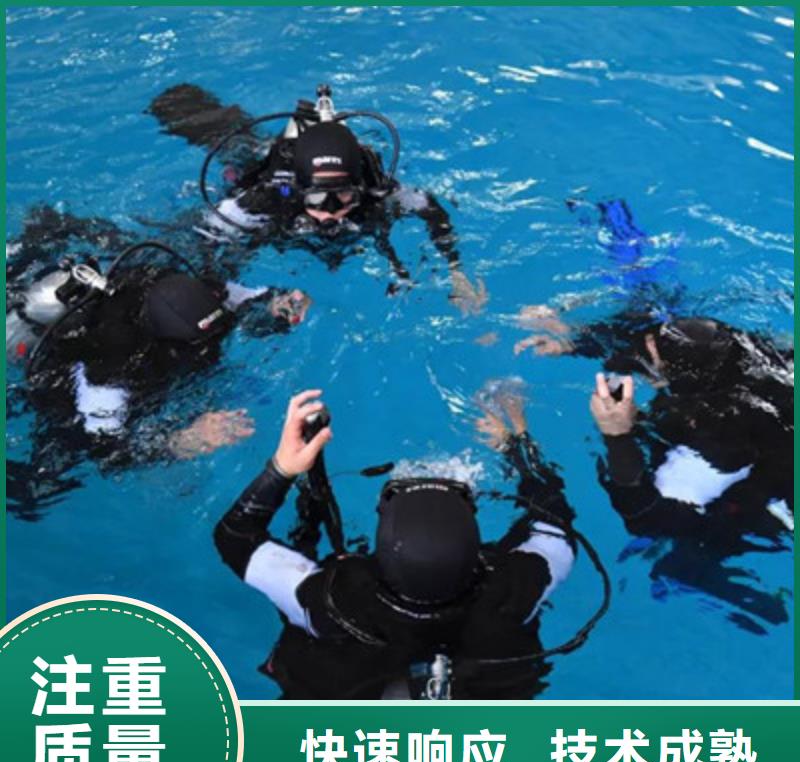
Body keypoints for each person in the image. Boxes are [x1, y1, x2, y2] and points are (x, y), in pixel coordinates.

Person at [214, 389, 581, 699]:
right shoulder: (518, 586)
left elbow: (235, 537)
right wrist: (516, 442)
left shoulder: (331, 600)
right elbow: (555, 522)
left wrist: (281, 468)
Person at [521, 310, 793, 631]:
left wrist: (617, 435)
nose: (645, 365)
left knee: (676, 563)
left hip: (773, 494)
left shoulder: (716, 435)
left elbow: (645, 517)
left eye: (652, 363)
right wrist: (576, 339)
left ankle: (754, 605)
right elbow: (663, 341)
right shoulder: (756, 352)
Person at [7, 241, 311, 520]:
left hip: (151, 318)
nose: (210, 352)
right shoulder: (111, 371)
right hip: (69, 378)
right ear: (167, 345)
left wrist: (283, 305)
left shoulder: (199, 292)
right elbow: (106, 450)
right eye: (197, 346)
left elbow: (253, 299)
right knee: (41, 485)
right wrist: (184, 441)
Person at [147, 83, 488, 312]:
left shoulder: (377, 193)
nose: (331, 213)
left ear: (359, 187)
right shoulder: (271, 196)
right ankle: (184, 105)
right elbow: (206, 241)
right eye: (317, 200)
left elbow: (429, 207)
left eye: (343, 197)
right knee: (244, 154)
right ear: (299, 193)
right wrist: (257, 299)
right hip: (277, 173)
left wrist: (456, 271)